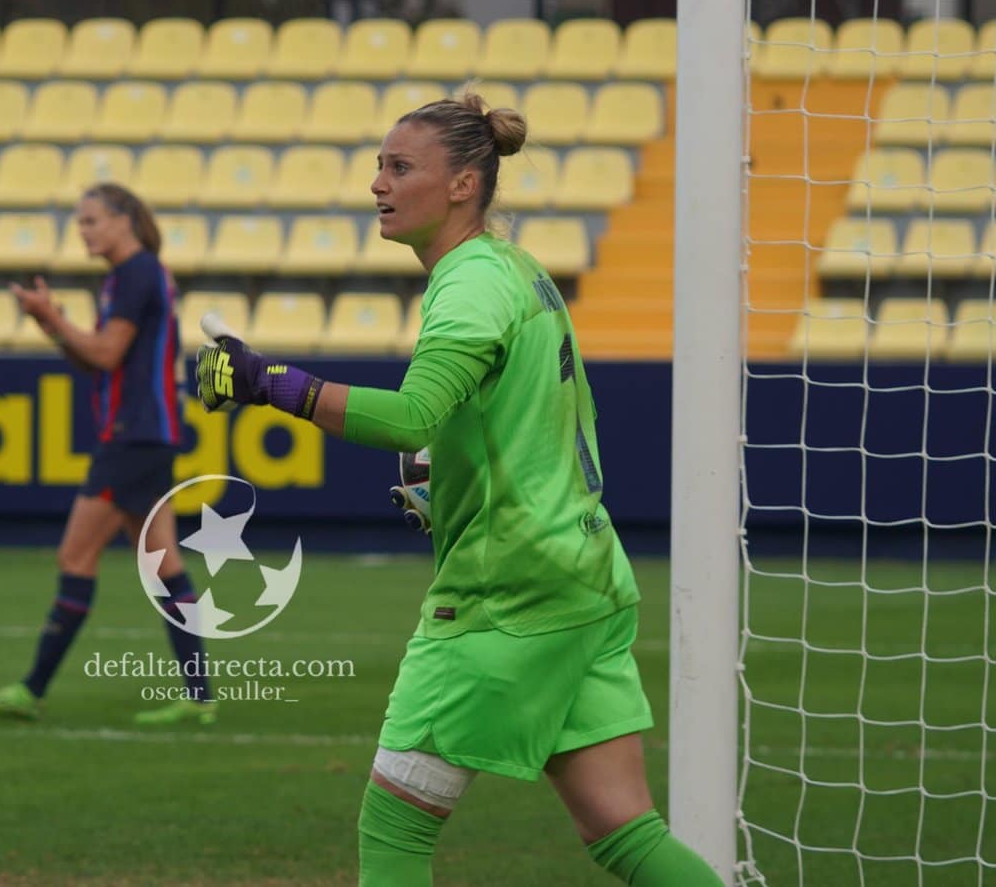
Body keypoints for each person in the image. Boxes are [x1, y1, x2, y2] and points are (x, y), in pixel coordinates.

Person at [194, 91, 721, 886]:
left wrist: (273, 381)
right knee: (625, 833)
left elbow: (411, 417)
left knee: (395, 825)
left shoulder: (471, 281)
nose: (378, 183)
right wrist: (453, 481)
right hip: (585, 574)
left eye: (401, 167)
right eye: (378, 165)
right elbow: (520, 424)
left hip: (507, 592)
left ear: (464, 184)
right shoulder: (517, 270)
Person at [0, 182, 217, 727]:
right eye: (79, 223)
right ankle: (200, 697)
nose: (83, 231)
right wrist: (49, 322)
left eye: (91, 221)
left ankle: (31, 689)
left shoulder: (134, 274)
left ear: (124, 220)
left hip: (132, 437)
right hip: (147, 435)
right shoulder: (135, 274)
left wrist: (53, 320)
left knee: (75, 559)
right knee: (162, 565)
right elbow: (99, 359)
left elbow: (104, 355)